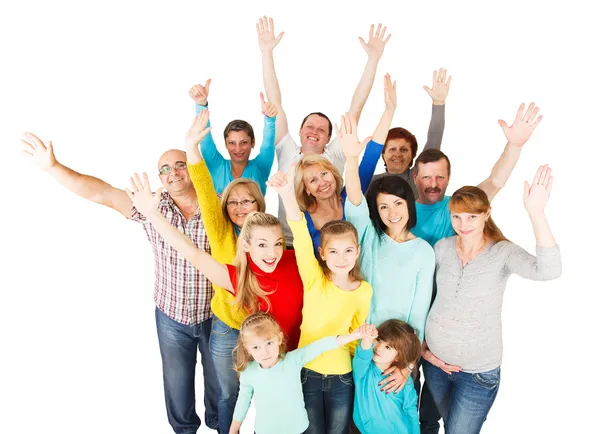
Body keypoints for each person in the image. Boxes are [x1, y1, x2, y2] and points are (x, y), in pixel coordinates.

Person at [20, 132, 219, 433]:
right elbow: (102, 193)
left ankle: (223, 427)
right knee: (177, 389)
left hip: (217, 316)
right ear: (160, 178)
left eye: (179, 164)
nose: (172, 173)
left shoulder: (219, 204)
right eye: (164, 169)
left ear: (192, 167)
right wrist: (54, 167)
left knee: (223, 387)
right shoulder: (151, 205)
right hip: (171, 318)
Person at [413, 102, 543, 433]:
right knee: (423, 413)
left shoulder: (458, 208)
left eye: (440, 176)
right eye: (426, 176)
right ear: (414, 178)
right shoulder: (399, 209)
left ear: (448, 180)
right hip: (421, 321)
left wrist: (514, 145)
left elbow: (496, 179)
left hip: (464, 332)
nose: (433, 182)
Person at [421, 165, 561, 433]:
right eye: (457, 217)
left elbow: (549, 271)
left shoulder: (503, 253)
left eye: (472, 217)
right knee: (438, 423)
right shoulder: (443, 248)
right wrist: (424, 348)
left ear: (487, 214)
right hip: (435, 365)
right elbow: (430, 298)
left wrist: (536, 213)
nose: (464, 225)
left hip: (476, 374)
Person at [257, 16, 392, 245]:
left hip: (331, 243)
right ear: (300, 131)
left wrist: (373, 60)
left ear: (329, 138)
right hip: (288, 243)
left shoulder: (335, 155)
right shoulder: (287, 150)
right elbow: (275, 101)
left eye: (322, 129)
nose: (314, 131)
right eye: (309, 126)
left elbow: (356, 108)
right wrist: (266, 53)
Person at [268, 166, 372, 434]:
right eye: (334, 251)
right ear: (322, 253)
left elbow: (355, 337)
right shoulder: (315, 279)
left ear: (358, 252)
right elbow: (300, 236)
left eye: (348, 250)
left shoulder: (363, 291)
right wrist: (286, 194)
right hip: (307, 372)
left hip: (342, 377)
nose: (342, 257)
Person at [183, 110, 267, 433]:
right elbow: (205, 192)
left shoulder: (269, 234)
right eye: (234, 202)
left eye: (248, 201)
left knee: (265, 389)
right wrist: (192, 149)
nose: (241, 207)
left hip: (262, 328)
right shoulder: (219, 233)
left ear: (258, 205)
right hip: (225, 329)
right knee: (227, 393)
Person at [341, 111, 435, 388]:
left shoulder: (423, 251)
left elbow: (418, 313)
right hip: (361, 344)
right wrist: (350, 158)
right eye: (383, 206)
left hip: (397, 355)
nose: (392, 212)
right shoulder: (369, 235)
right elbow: (355, 201)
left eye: (397, 204)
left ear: (409, 205)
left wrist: (407, 365)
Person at [294, 73, 398, 254]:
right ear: (307, 189)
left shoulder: (351, 195)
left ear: (333, 174)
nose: (322, 182)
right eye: (313, 180)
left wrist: (389, 111)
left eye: (324, 174)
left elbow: (371, 156)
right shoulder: (305, 218)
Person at [229, 313, 369, 434]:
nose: (264, 352)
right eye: (256, 347)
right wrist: (234, 429)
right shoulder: (249, 372)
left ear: (279, 338)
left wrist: (353, 336)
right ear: (247, 349)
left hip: (298, 430)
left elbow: (321, 345)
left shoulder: (293, 360)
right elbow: (243, 402)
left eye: (269, 343)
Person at [369, 67, 451, 199]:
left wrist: (439, 102)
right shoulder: (371, 182)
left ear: (413, 155)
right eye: (392, 149)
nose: (397, 154)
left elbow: (434, 138)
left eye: (404, 150)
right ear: (382, 154)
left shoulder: (418, 178)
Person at [189, 82, 277, 195]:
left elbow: (268, 144)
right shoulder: (216, 165)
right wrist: (201, 103)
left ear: (253, 143)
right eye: (231, 143)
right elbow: (205, 139)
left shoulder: (260, 166)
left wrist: (270, 118)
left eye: (244, 142)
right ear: (225, 144)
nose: (238, 148)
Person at [353, 321, 421, 434]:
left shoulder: (404, 379)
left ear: (398, 357)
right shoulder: (363, 370)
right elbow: (363, 353)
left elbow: (411, 410)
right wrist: (368, 337)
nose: (379, 348)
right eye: (379, 340)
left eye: (388, 347)